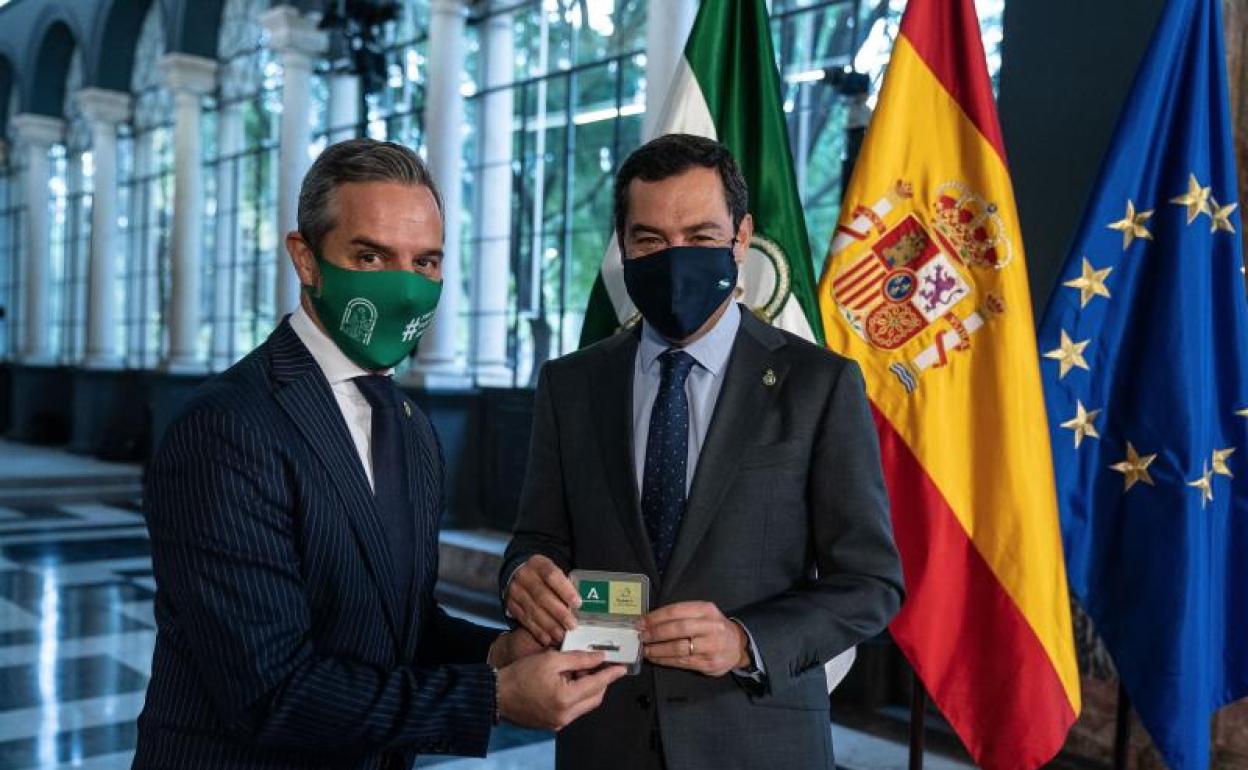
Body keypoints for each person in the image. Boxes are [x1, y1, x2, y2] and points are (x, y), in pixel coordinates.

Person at [135, 138, 624, 770]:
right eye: (371, 256)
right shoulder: (225, 427)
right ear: (305, 259)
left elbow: (399, 625)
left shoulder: (413, 428)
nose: (404, 287)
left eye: (425, 263)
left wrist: (496, 654)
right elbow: (269, 691)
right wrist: (492, 699)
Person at [501, 133, 905, 769]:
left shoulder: (819, 385)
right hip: (603, 737)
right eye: (650, 241)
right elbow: (535, 540)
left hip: (758, 741)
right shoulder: (570, 384)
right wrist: (521, 577)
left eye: (700, 236)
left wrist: (746, 642)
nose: (674, 259)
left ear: (742, 238)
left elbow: (870, 584)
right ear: (624, 246)